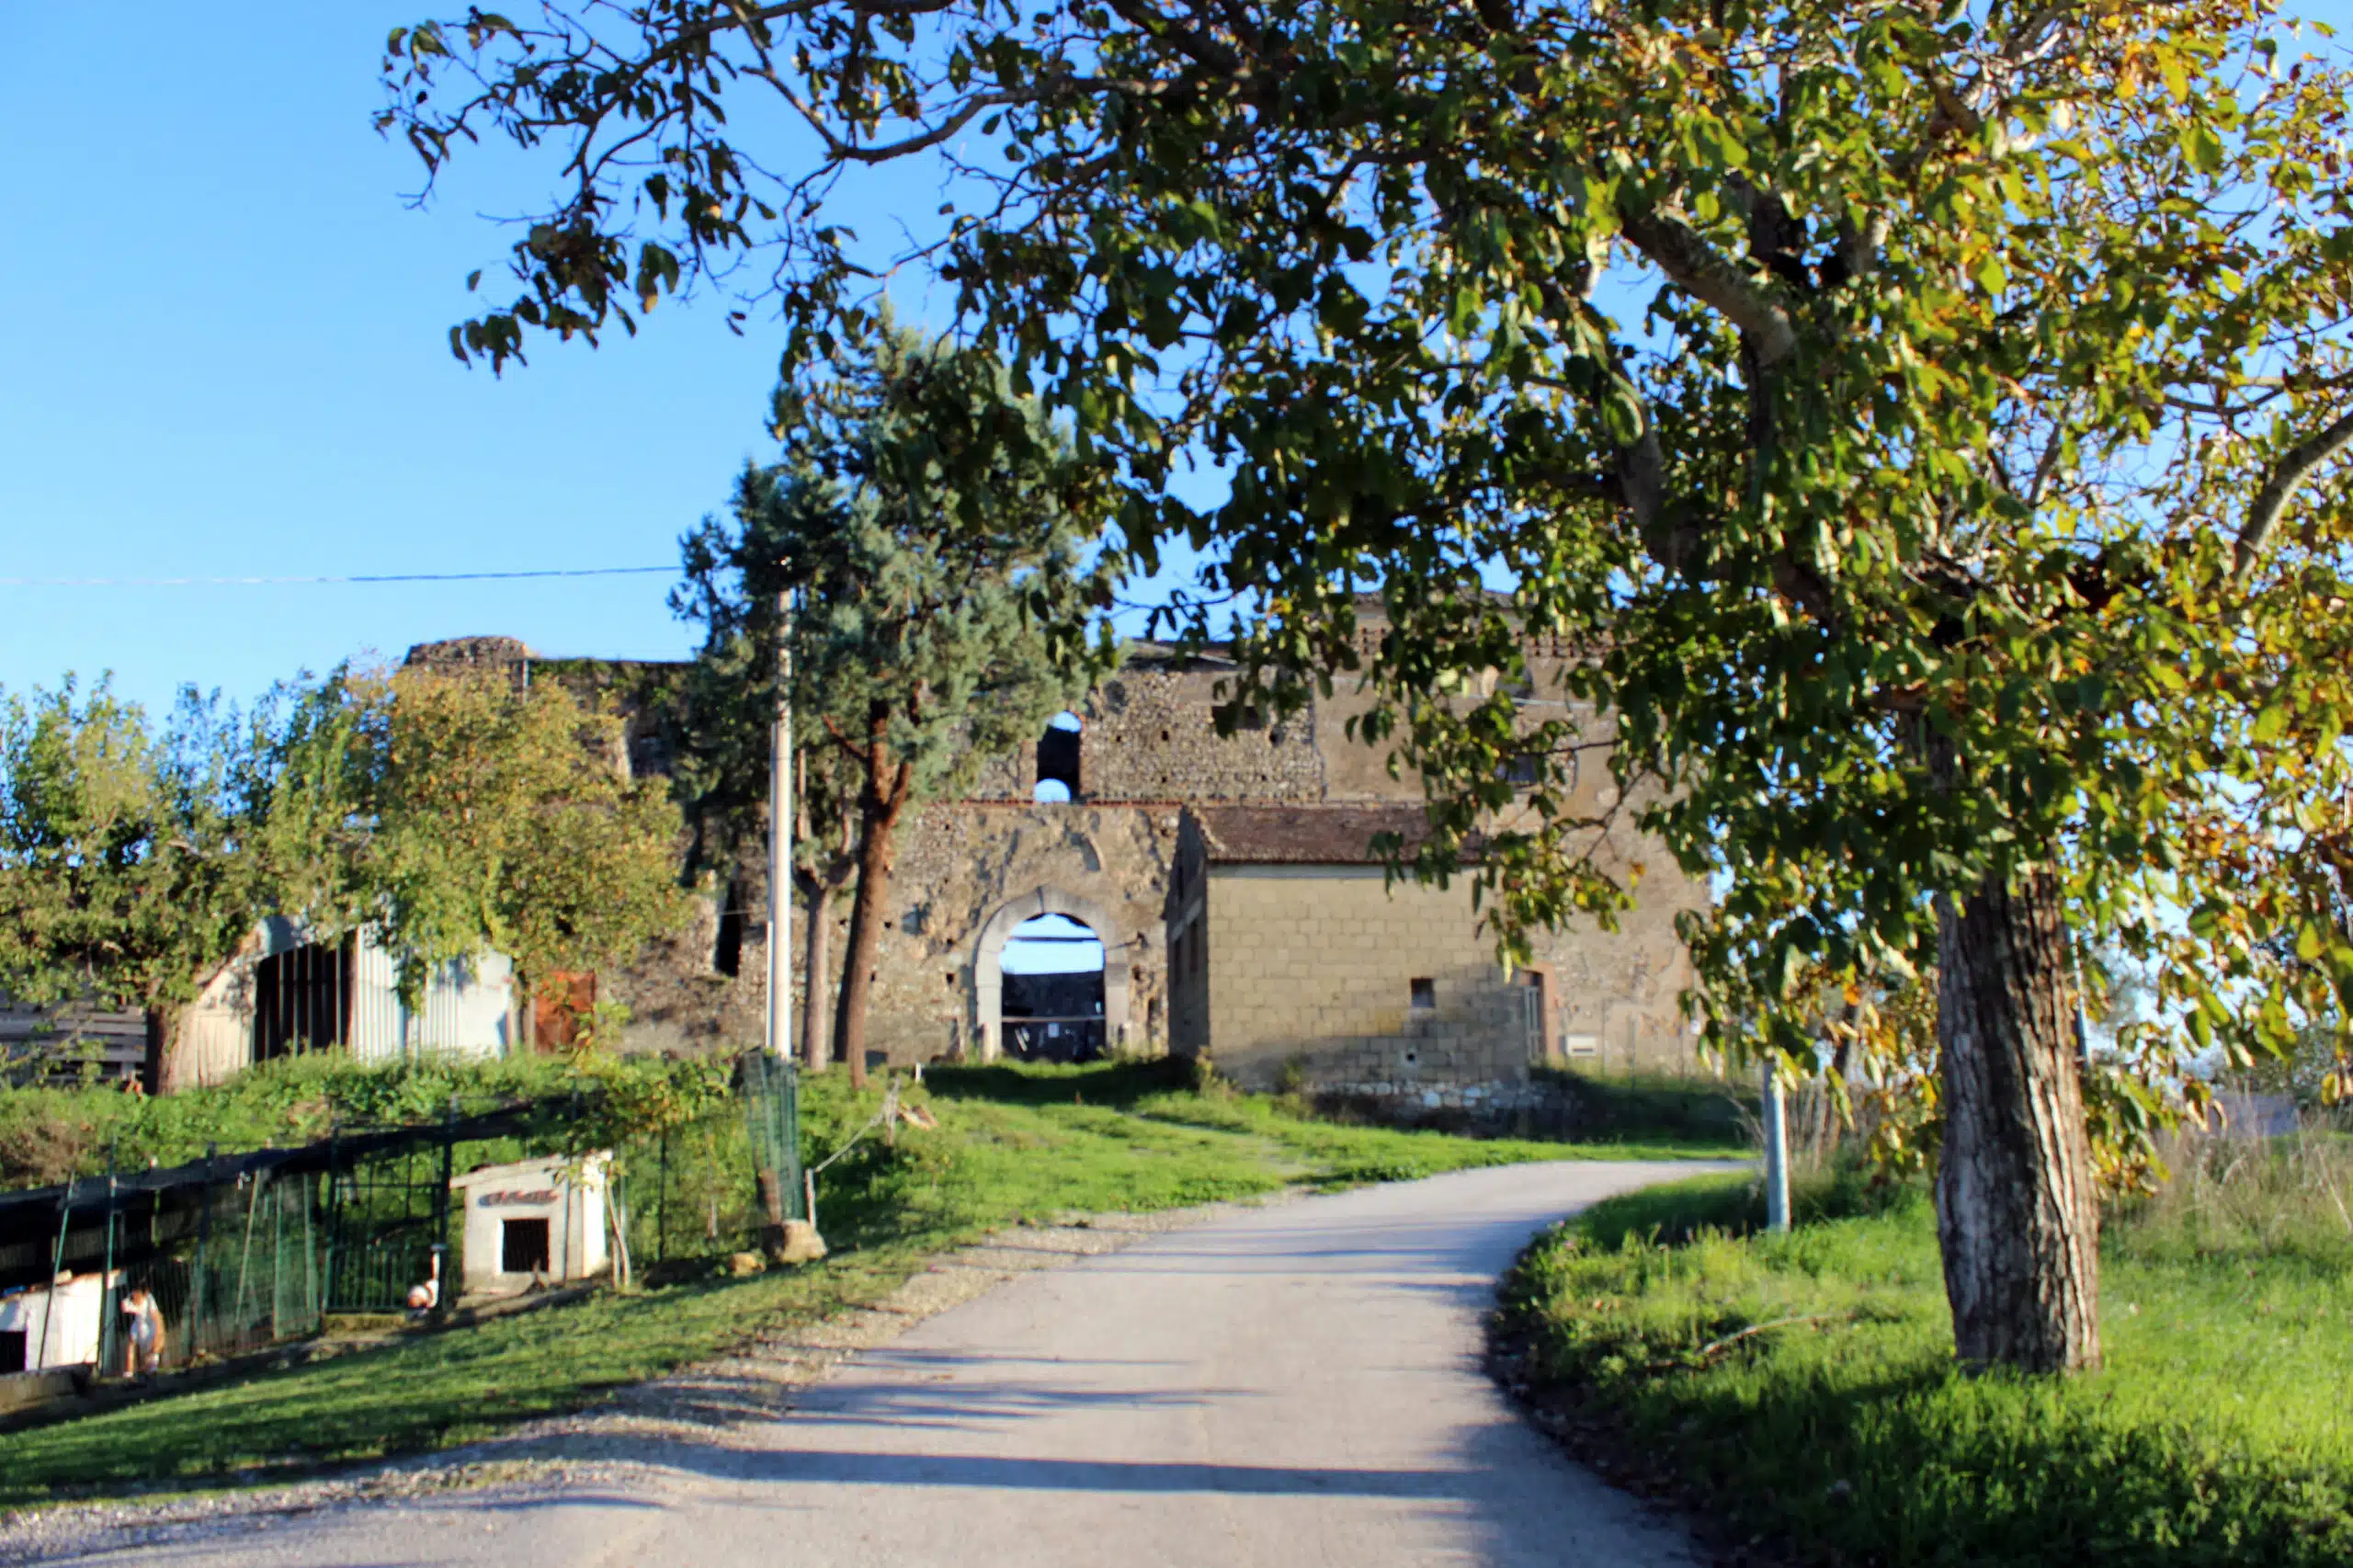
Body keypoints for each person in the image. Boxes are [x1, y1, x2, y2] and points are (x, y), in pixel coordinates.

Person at [119, 1284, 165, 1378]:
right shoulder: (131, 1297)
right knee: (131, 1343)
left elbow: (157, 1318)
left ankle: (152, 1368)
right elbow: (124, 1306)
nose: (135, 1297)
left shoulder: (149, 1300)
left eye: (137, 1294)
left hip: (149, 1326)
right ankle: (129, 1372)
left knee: (152, 1347)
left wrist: (158, 1336)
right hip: (138, 1323)